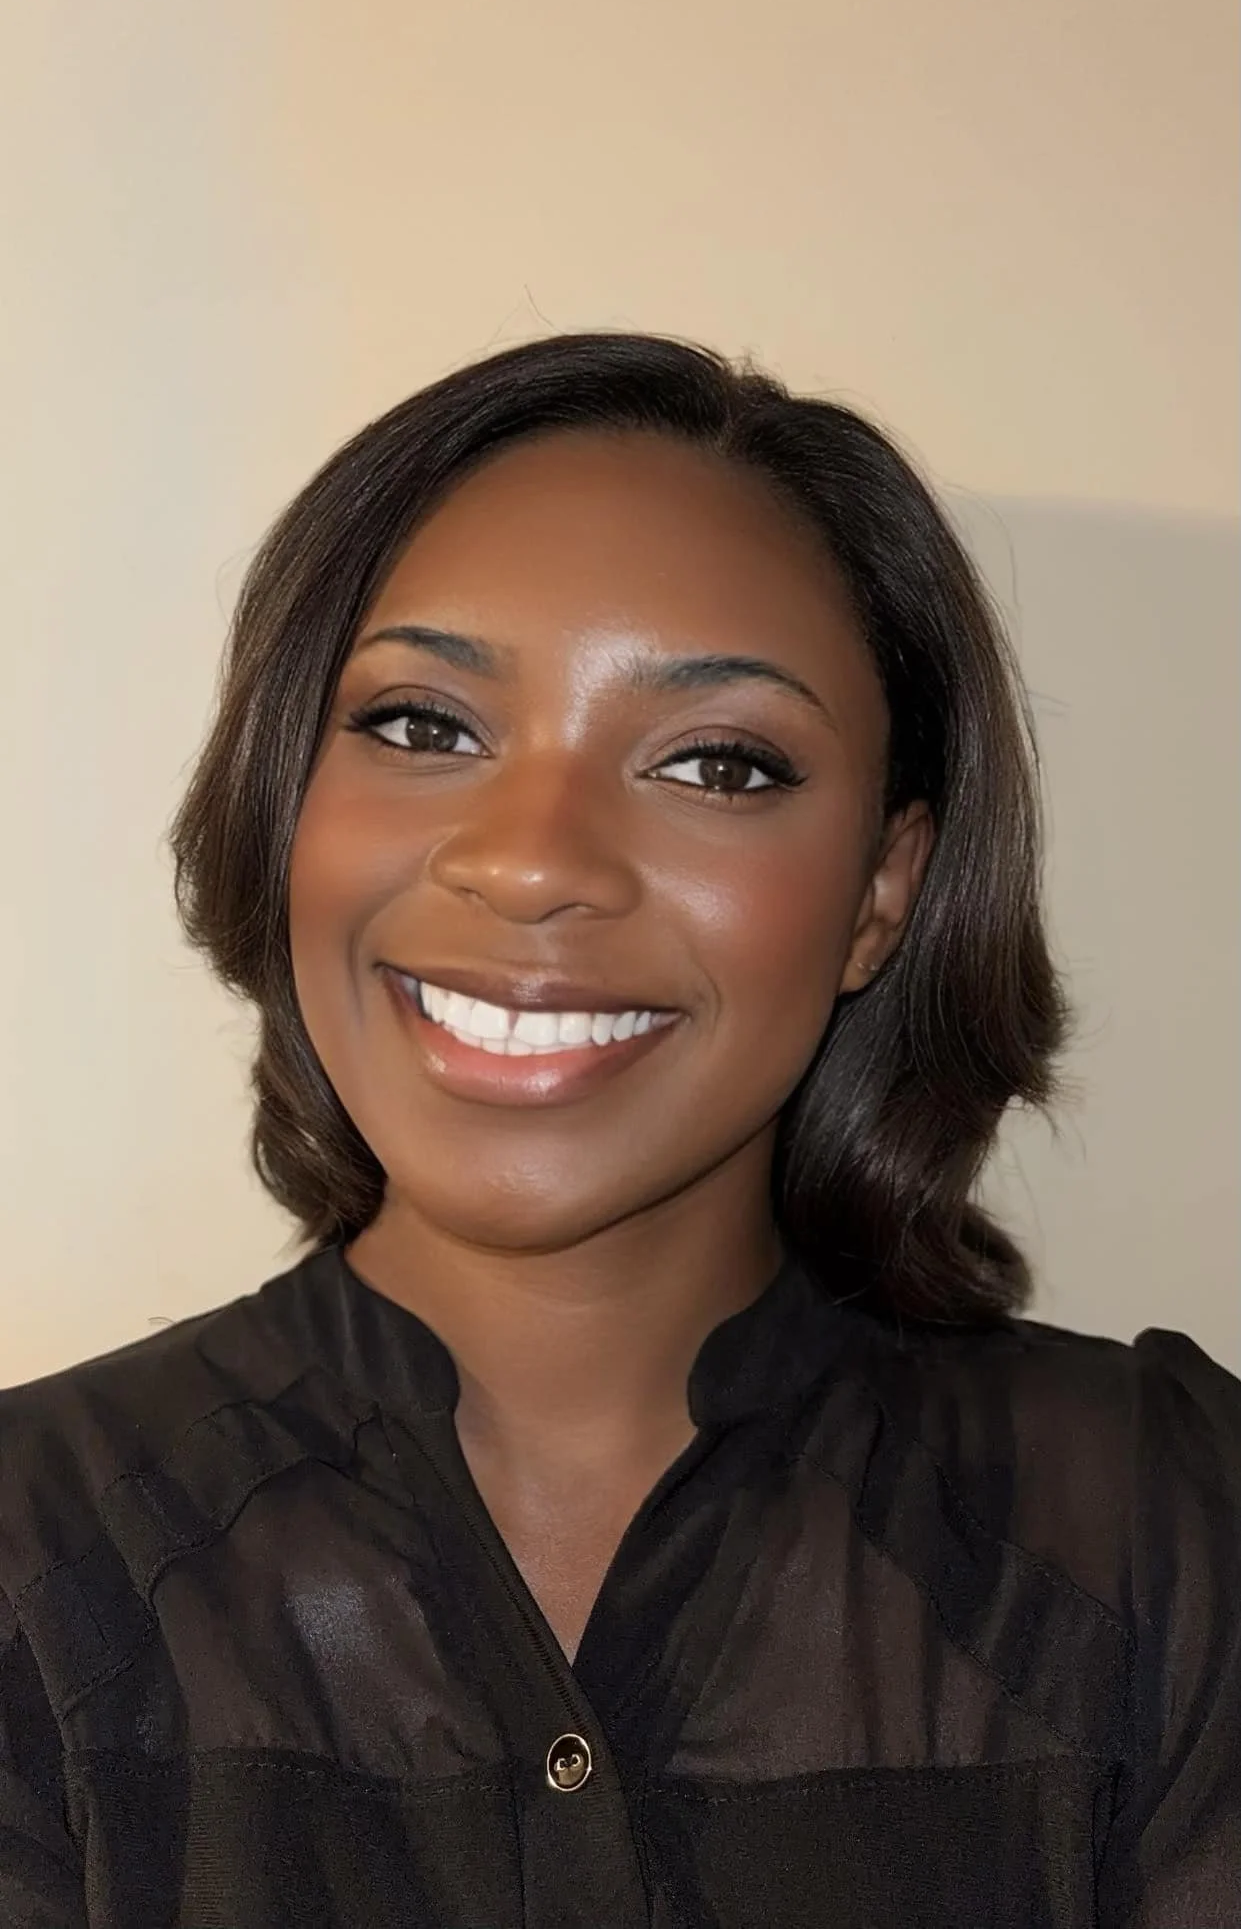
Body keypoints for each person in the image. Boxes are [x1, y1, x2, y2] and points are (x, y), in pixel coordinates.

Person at [1, 333, 1237, 1928]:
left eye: (717, 761)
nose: (532, 863)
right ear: (284, 797)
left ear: (884, 889)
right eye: (424, 725)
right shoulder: (37, 1564)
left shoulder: (1170, 1539)